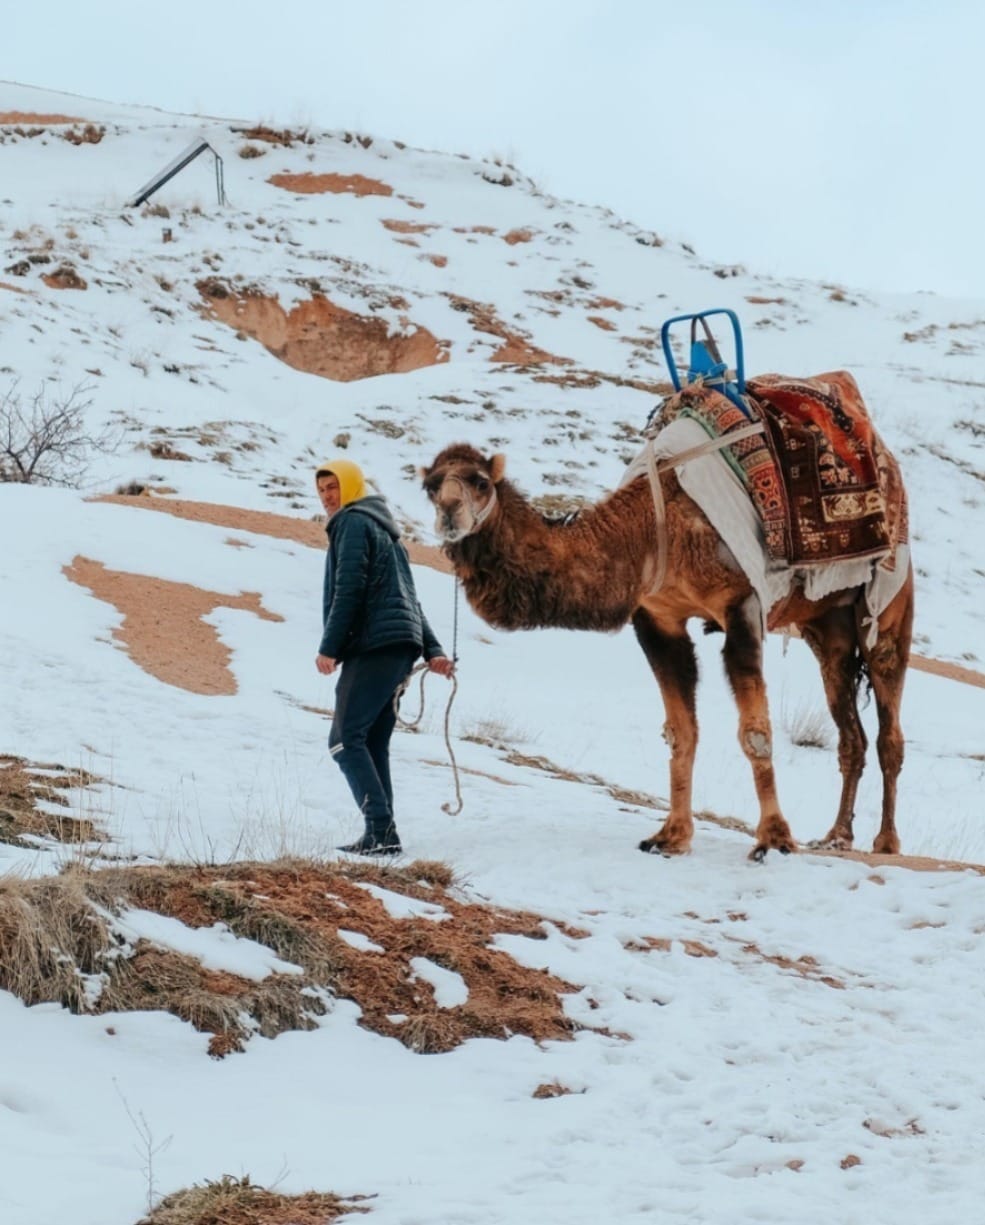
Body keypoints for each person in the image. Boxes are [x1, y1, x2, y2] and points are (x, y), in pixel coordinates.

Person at [315, 458, 454, 855]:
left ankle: (380, 830)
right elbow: (410, 602)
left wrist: (330, 647)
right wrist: (433, 652)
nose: (327, 496)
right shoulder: (388, 533)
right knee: (372, 742)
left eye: (334, 487)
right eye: (322, 489)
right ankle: (382, 834)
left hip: (374, 647)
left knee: (344, 740)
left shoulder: (353, 523)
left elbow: (349, 589)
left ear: (352, 487)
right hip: (396, 647)